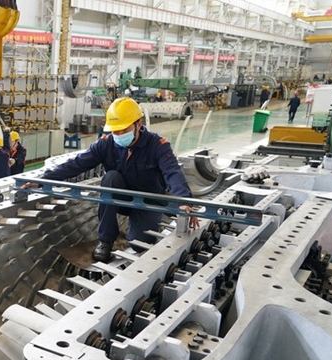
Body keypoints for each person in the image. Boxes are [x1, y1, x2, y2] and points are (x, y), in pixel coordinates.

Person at [21, 97, 199, 262]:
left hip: (149, 201)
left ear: (138, 124)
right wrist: (44, 179)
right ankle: (106, 240)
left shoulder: (157, 146)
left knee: (139, 244)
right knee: (110, 178)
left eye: (124, 130)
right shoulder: (106, 144)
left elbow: (172, 173)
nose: (119, 134)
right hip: (121, 197)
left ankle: (147, 225)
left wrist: (184, 201)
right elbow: (76, 164)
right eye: (115, 130)